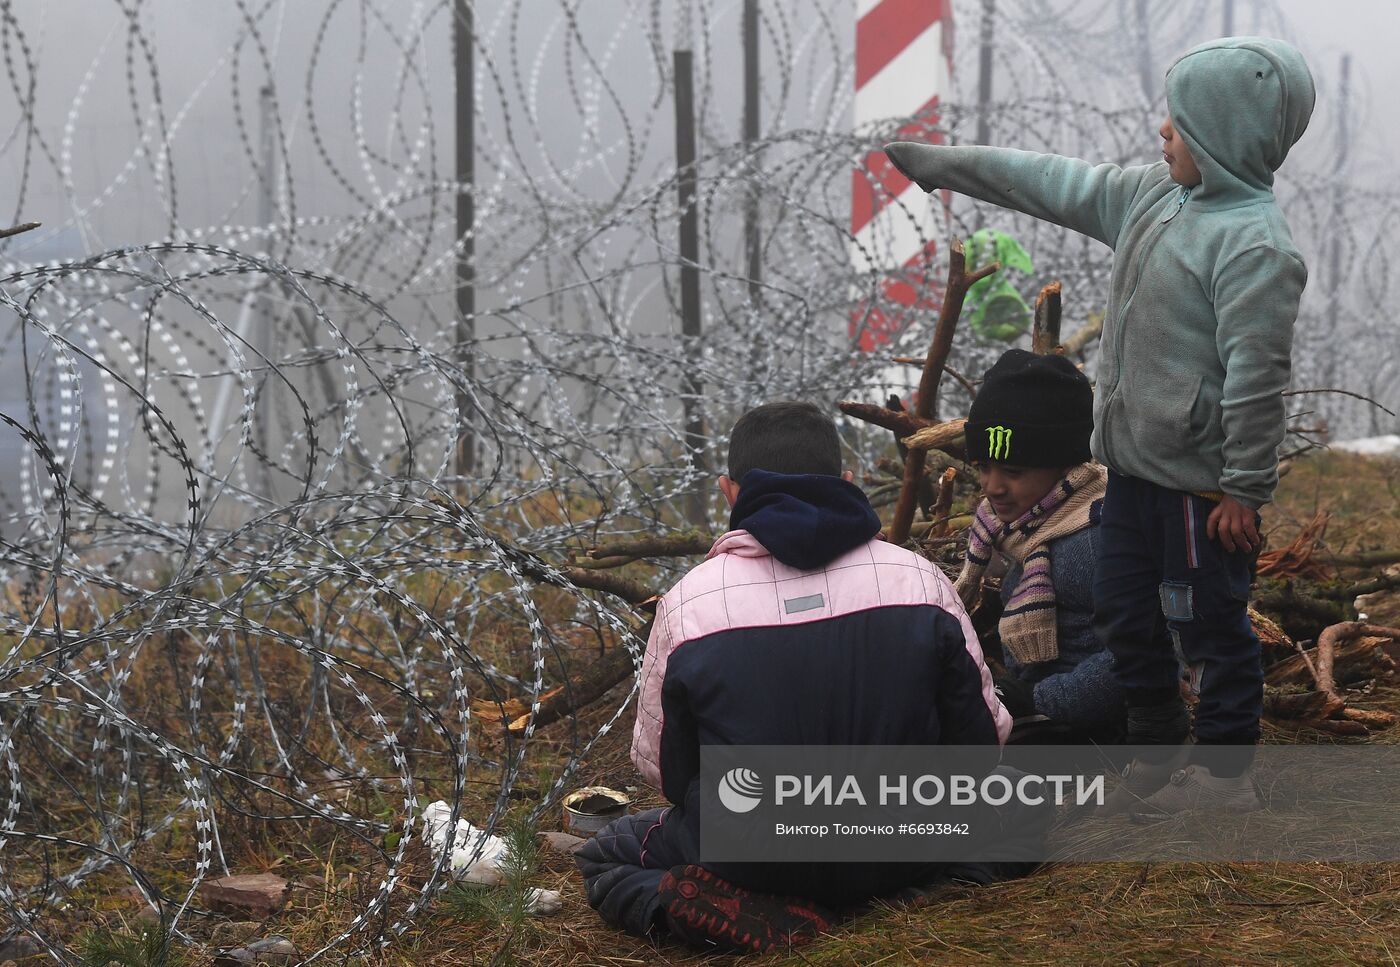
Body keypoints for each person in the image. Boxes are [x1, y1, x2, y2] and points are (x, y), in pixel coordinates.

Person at [884, 36, 1315, 815]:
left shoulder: (1256, 247)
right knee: (1125, 613)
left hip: (1198, 492)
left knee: (1210, 627)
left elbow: (1258, 383)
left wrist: (1243, 490)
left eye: (1180, 124)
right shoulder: (1150, 196)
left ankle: (1224, 777)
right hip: (1133, 474)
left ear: (1223, 135)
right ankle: (1152, 746)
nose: (1163, 133)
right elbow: (1050, 180)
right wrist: (940, 165)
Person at [574, 400, 1019, 954]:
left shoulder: (690, 604)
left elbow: (667, 769)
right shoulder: (918, 580)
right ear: (847, 481)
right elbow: (981, 744)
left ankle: (731, 910)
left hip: (755, 859)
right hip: (909, 844)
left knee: (608, 852)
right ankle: (942, 886)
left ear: (729, 492)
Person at [954, 349, 1125, 743]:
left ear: (1066, 465)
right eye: (983, 467)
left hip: (1091, 731)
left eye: (1013, 472)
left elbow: (1147, 653)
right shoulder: (1026, 529)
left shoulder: (1094, 541)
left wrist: (1038, 700)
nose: (992, 487)